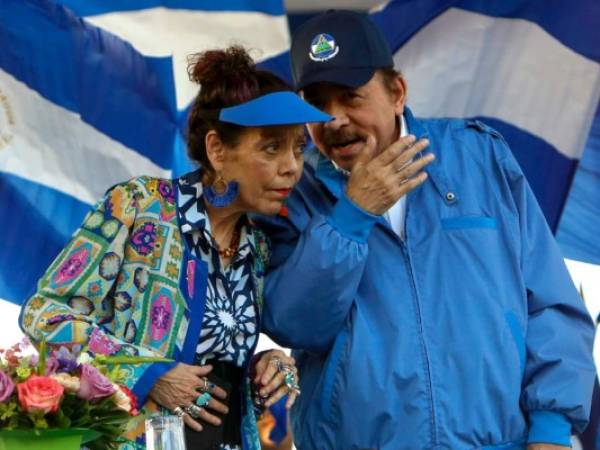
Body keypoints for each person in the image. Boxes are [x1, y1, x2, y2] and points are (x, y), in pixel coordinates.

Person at [255, 10, 596, 450]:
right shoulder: (294, 193)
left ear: (397, 92)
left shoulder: (479, 157)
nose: (334, 119)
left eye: (351, 97)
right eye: (317, 104)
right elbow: (296, 324)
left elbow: (550, 304)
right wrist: (352, 215)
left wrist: (551, 430)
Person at [19, 45, 330, 450]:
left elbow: (215, 372)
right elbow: (44, 315)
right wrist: (149, 373)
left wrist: (264, 368)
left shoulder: (258, 247)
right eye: (271, 148)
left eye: (297, 149)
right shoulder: (138, 207)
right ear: (218, 150)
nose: (291, 166)